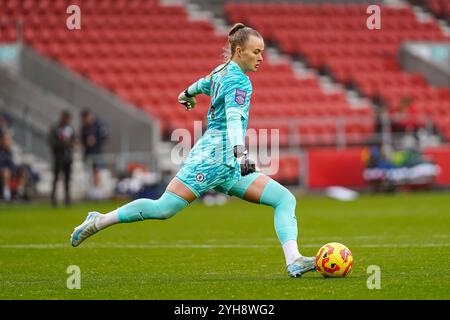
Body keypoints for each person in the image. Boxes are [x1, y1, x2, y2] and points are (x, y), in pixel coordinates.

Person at [70, 23, 316, 278]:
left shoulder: (221, 71)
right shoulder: (240, 82)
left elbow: (201, 84)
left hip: (228, 164)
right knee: (164, 208)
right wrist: (242, 155)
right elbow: (233, 119)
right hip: (213, 159)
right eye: (256, 52)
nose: (261, 58)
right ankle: (98, 220)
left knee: (284, 199)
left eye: (262, 52)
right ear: (240, 51)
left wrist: (185, 94)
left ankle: (294, 260)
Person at [49, 111, 75, 206]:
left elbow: (74, 140)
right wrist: (63, 144)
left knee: (67, 179)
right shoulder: (56, 128)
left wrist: (71, 144)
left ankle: (67, 199)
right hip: (58, 157)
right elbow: (51, 141)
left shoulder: (70, 129)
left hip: (68, 157)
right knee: (56, 178)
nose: (67, 120)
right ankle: (53, 199)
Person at [80, 109, 108, 199]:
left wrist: (96, 141)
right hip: (88, 153)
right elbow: (82, 138)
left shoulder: (98, 125)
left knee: (97, 170)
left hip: (97, 152)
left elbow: (104, 136)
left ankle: (97, 190)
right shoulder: (84, 127)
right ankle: (91, 189)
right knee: (90, 170)